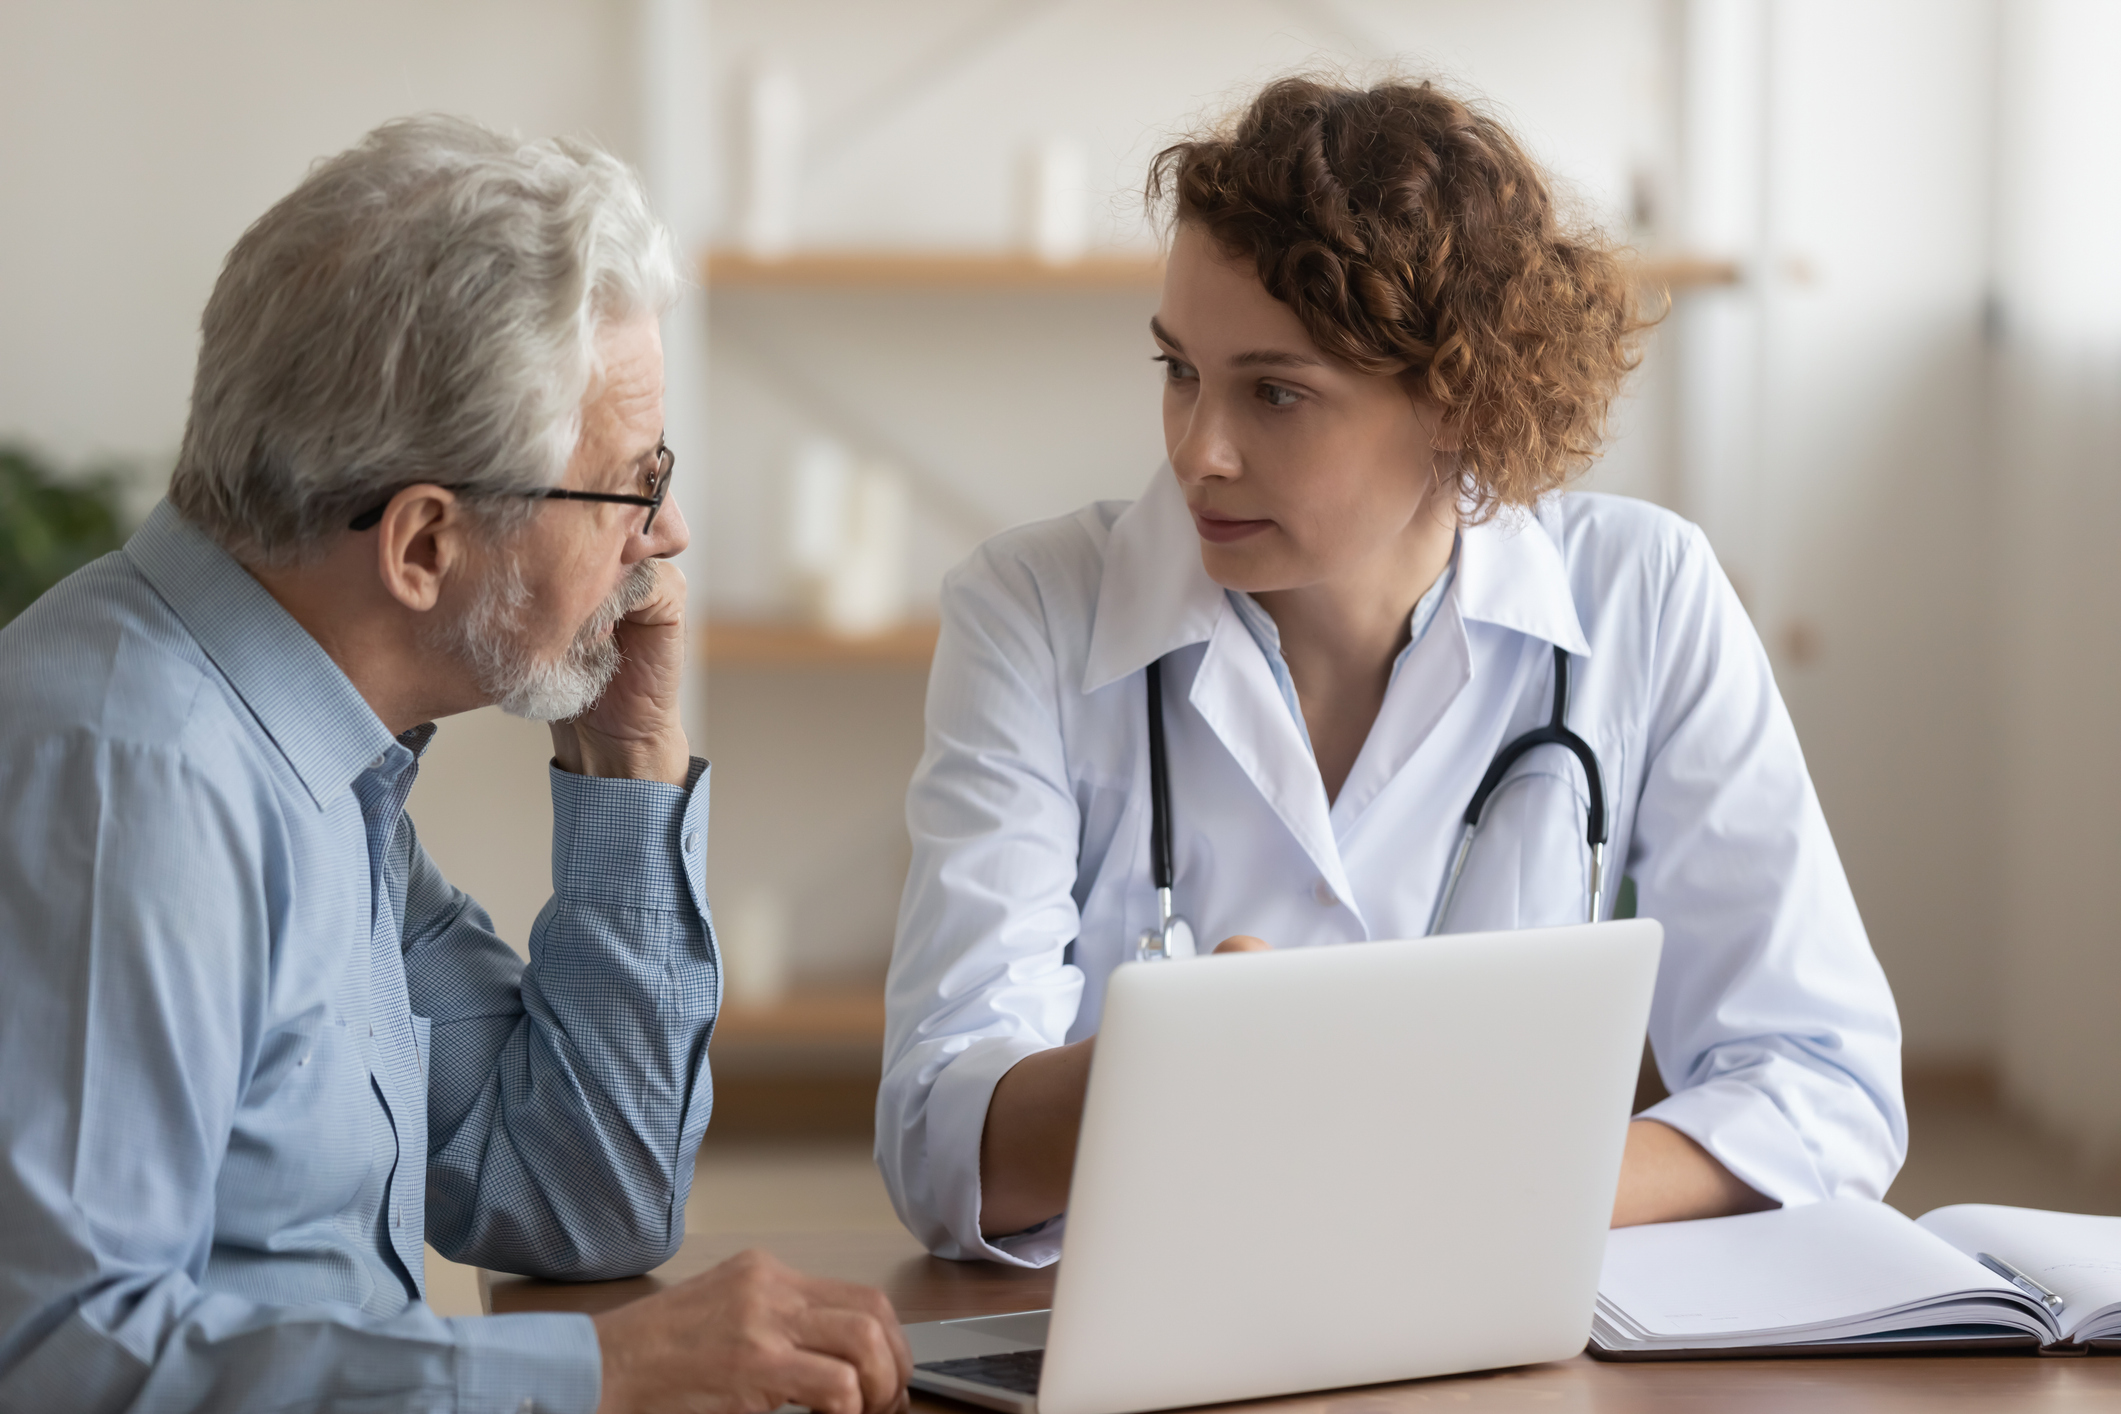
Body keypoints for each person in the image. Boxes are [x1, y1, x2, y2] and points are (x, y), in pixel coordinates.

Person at [876, 76, 1906, 1266]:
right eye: (1179, 372)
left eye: (1274, 392)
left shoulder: (1650, 595)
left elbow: (1824, 1087)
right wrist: (1168, 1074)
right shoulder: (1034, 610)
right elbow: (937, 1135)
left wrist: (1479, 1185)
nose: (1198, 451)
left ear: (1461, 399)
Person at [0, 116, 909, 1414]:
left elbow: (576, 1193)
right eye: (630, 484)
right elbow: (62, 1361)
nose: (668, 534)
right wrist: (603, 1369)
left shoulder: (320, 759)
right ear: (423, 542)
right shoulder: (127, 774)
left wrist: (626, 756)